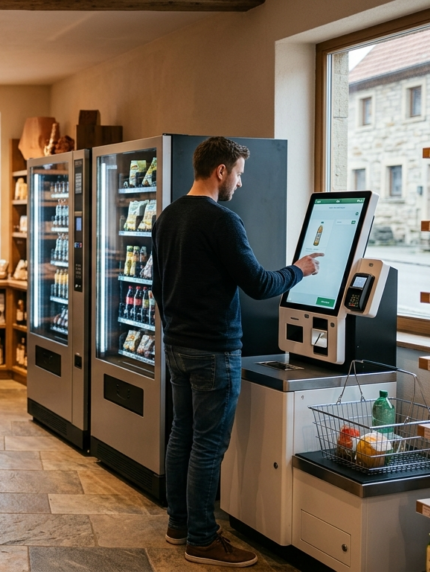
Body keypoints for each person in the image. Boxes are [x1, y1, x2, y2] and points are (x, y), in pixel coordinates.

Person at [152, 137, 321, 568]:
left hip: (177, 345)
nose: (241, 184)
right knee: (208, 446)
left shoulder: (167, 217)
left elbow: (158, 285)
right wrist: (299, 270)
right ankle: (203, 539)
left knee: (182, 435)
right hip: (214, 350)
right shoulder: (222, 221)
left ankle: (179, 525)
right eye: (240, 174)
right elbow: (260, 284)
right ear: (221, 171)